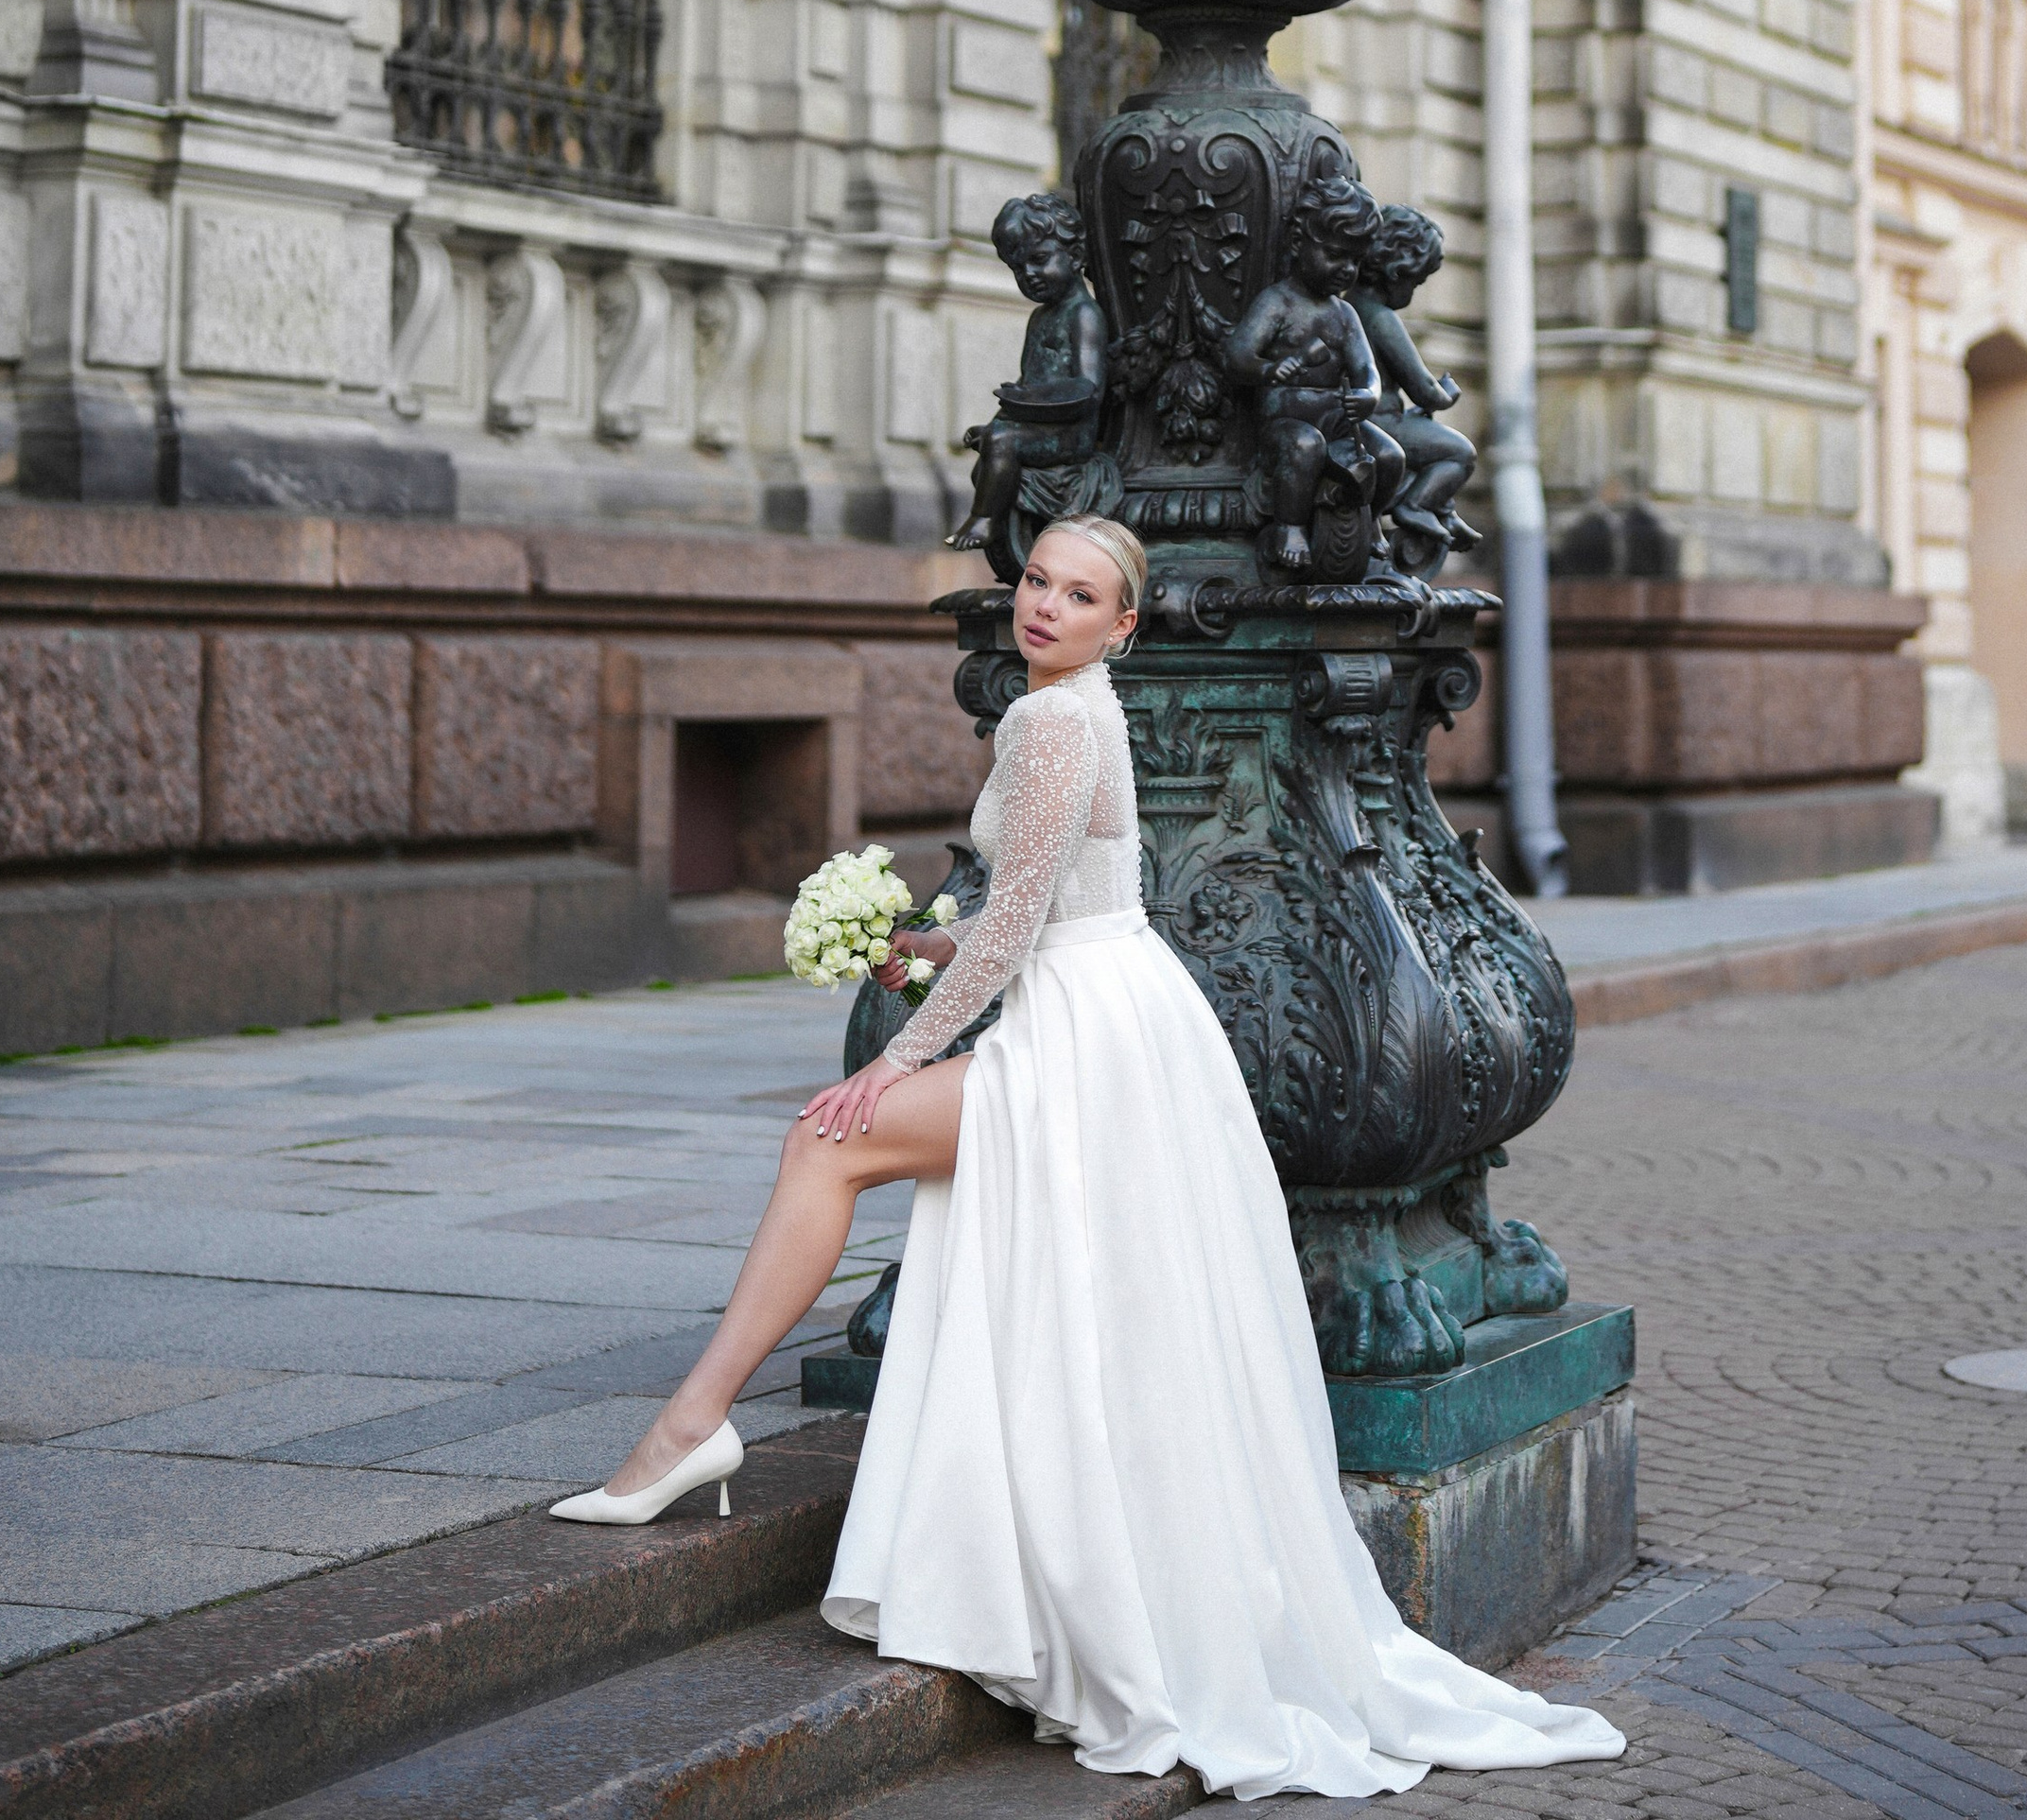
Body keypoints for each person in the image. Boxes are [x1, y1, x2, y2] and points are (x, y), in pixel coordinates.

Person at [548, 515, 1624, 1798]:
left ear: (1124, 623)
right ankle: (731, 1434)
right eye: (1037, 580)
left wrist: (893, 1058)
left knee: (822, 1143)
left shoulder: (1051, 721)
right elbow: (1046, 906)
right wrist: (914, 950)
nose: (1043, 605)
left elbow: (1013, 931)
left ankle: (690, 1425)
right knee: (1013, 1261)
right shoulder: (1080, 705)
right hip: (1112, 1007)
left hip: (1080, 1036)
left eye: (1080, 593)